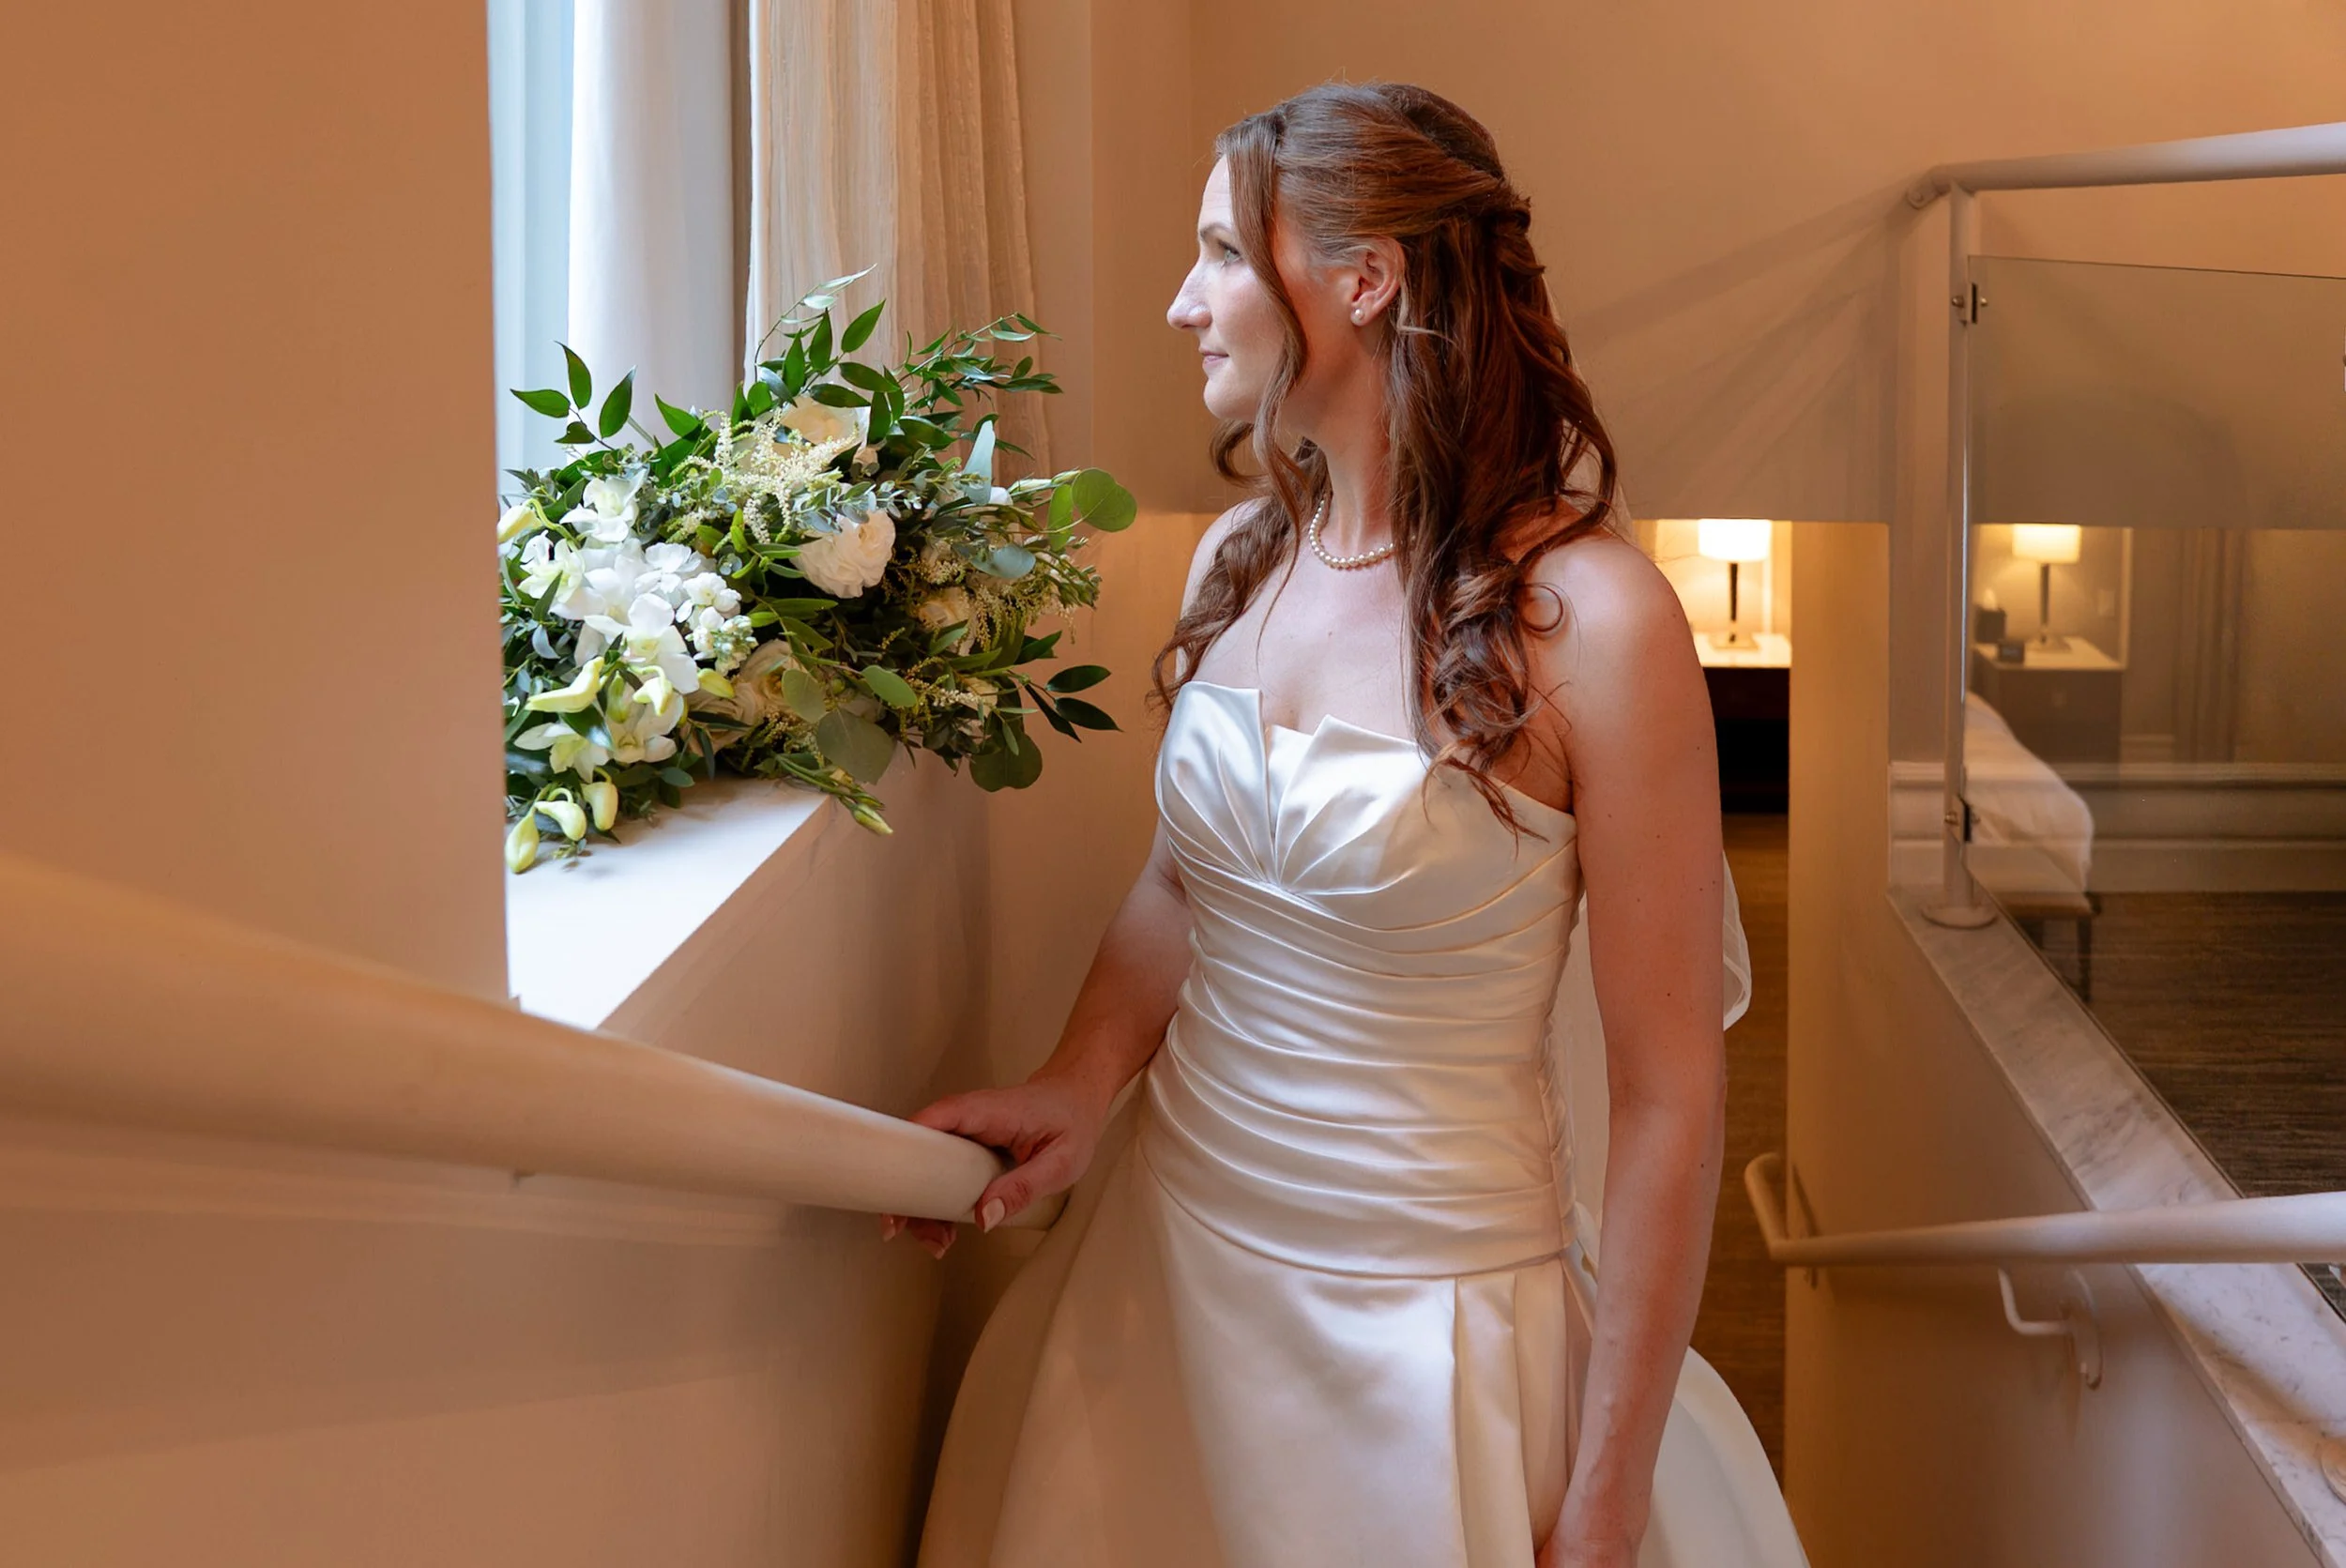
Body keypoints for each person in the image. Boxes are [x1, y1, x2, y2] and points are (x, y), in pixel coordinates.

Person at [887, 81, 1748, 1568]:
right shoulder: (1240, 555)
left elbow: (1671, 1098)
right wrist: (1084, 1080)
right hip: (1166, 1273)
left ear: (1365, 279)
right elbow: (1186, 881)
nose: (1181, 303)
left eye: (1222, 253)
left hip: (1425, 1331)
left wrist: (1606, 1502)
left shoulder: (1598, 626)